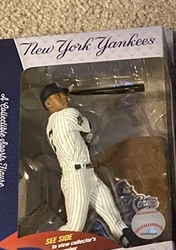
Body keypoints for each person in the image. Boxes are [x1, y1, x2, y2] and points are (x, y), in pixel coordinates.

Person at [40, 82, 127, 240]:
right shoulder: (67, 113)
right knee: (74, 227)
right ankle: (43, 247)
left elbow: (82, 137)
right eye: (58, 95)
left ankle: (131, 241)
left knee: (115, 219)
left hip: (87, 174)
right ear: (48, 104)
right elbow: (88, 127)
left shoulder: (50, 125)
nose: (64, 97)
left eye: (63, 94)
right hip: (76, 176)